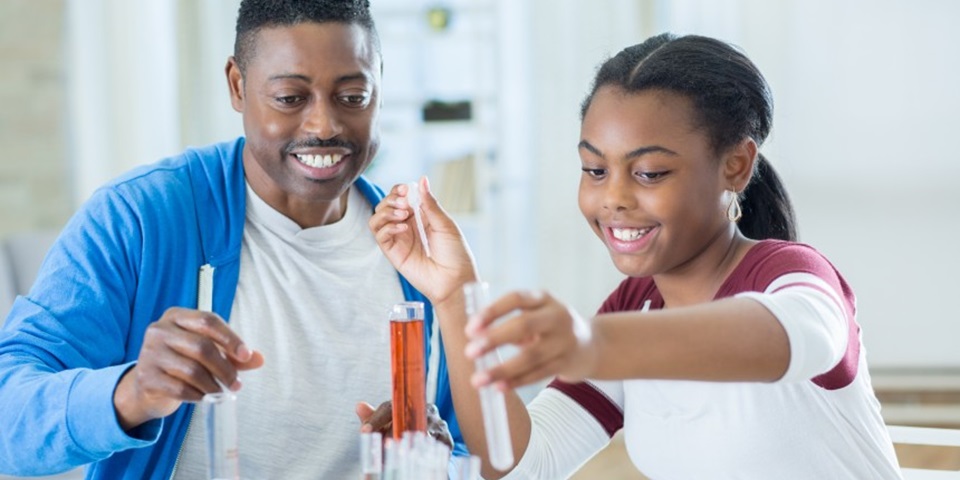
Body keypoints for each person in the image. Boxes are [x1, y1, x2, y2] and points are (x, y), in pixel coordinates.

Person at [369, 33, 903, 479]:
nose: (614, 198)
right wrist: (456, 294)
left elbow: (786, 337)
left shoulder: (788, 275)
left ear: (736, 166)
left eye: (649, 173)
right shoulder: (634, 309)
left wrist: (591, 344)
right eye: (595, 170)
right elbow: (527, 464)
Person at [0, 1, 465, 478]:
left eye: (352, 96)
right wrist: (131, 392)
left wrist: (435, 460)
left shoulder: (415, 254)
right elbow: (8, 416)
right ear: (238, 85)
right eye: (290, 97)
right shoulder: (139, 218)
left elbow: (473, 448)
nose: (324, 126)